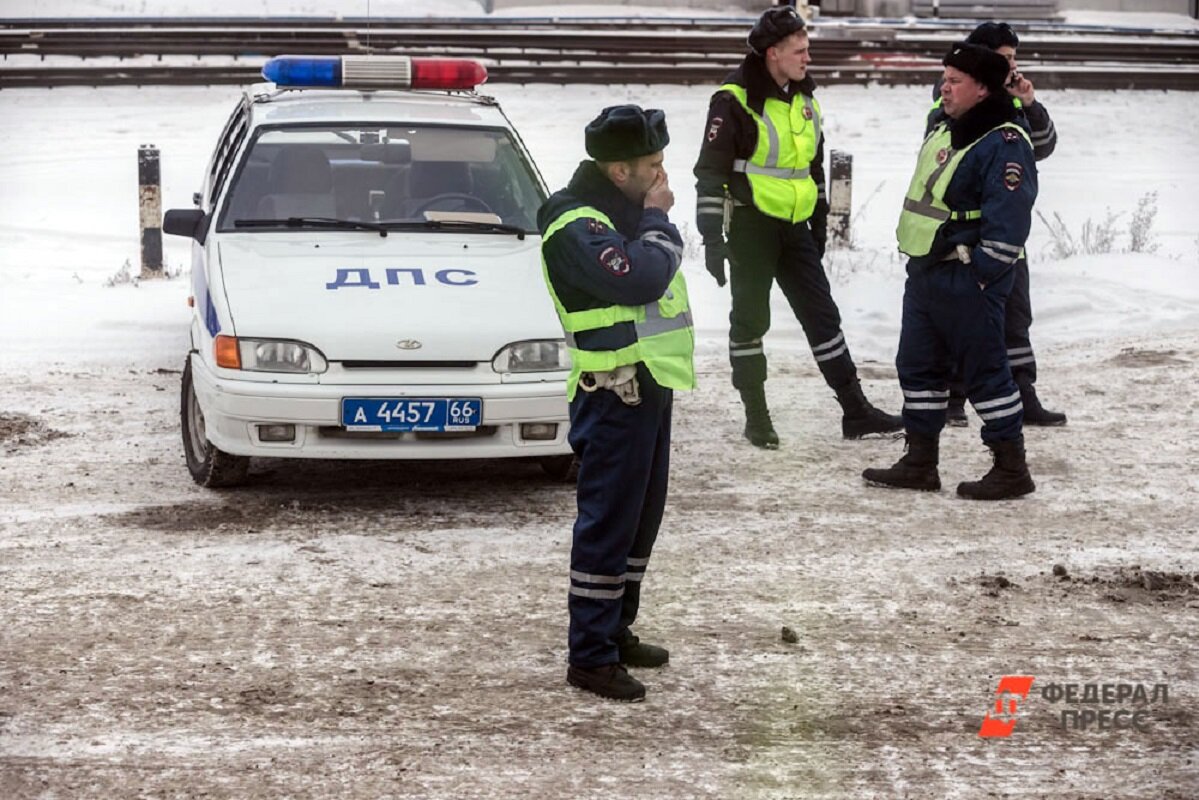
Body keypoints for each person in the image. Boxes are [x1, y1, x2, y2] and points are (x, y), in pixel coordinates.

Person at [538, 105, 695, 702]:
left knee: (639, 523)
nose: (662, 177)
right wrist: (659, 221)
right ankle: (591, 657)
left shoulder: (618, 213)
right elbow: (639, 278)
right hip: (613, 392)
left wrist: (650, 222)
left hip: (648, 384)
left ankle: (617, 628)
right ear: (618, 169)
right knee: (607, 526)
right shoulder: (576, 223)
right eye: (652, 165)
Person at [694, 5, 901, 450]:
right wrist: (712, 237)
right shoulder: (732, 101)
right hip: (751, 227)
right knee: (750, 322)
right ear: (773, 53)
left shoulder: (805, 98)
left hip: (796, 228)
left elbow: (814, 167)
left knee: (823, 318)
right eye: (800, 51)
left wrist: (820, 219)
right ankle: (757, 416)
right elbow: (709, 174)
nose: (808, 58)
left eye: (808, 50)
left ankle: (855, 410)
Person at [863, 43, 1038, 500]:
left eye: (955, 80)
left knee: (985, 373)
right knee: (917, 366)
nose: (944, 86)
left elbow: (1009, 225)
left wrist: (979, 276)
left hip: (966, 278)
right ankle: (920, 461)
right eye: (945, 77)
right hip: (925, 273)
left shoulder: (1005, 142)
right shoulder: (945, 128)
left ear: (983, 89)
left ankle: (1010, 466)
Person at [928, 21, 1066, 427]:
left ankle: (1024, 394)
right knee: (961, 320)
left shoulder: (1012, 98)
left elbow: (1042, 147)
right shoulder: (954, 97)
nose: (1012, 67)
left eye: (1014, 59)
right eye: (1004, 60)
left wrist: (1029, 104)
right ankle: (954, 398)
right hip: (964, 236)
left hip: (1006, 235)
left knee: (1015, 319)